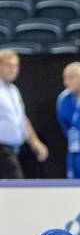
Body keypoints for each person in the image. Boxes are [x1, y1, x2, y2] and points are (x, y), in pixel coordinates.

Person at [0, 50, 48, 179]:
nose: (13, 69)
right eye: (9, 65)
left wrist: (35, 142)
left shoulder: (13, 91)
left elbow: (21, 119)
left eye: (16, 66)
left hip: (14, 151)